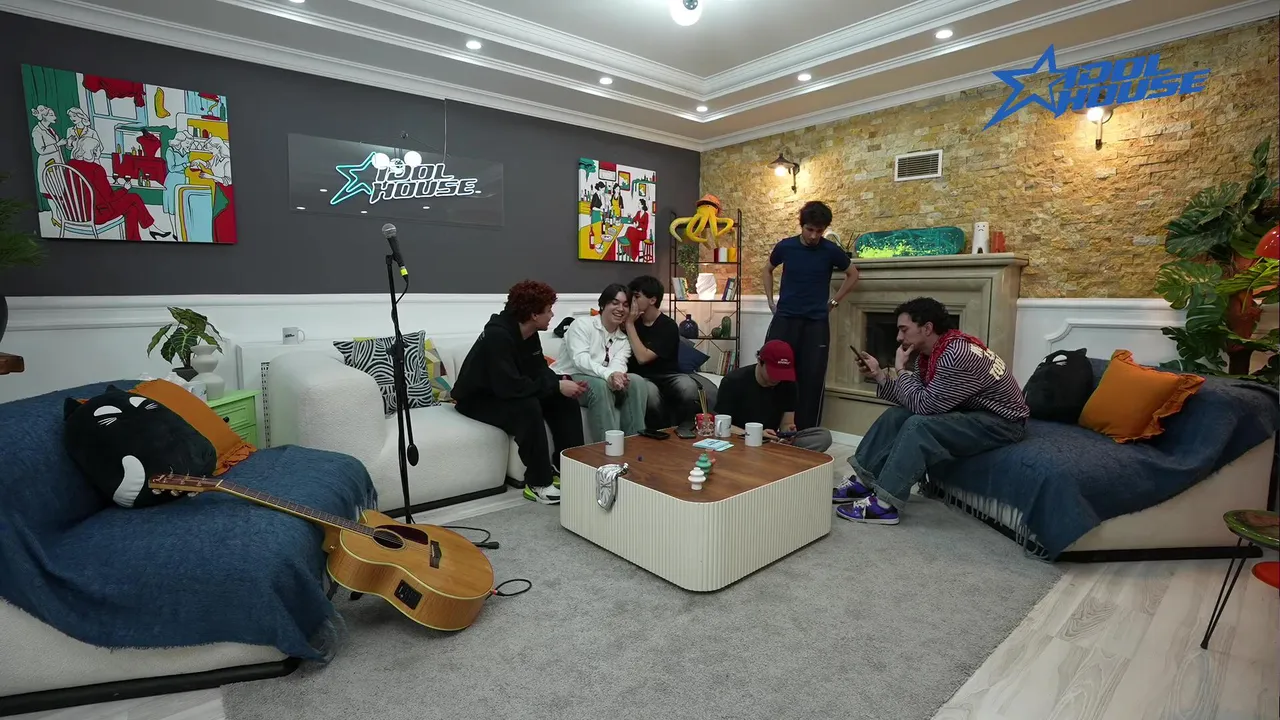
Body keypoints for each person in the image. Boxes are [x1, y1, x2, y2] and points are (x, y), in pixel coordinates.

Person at [833, 297, 1029, 525]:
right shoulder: (931, 355)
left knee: (919, 426)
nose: (899, 338)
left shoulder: (955, 354)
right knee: (896, 416)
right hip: (971, 412)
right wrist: (878, 375)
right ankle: (863, 482)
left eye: (904, 330)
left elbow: (923, 407)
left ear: (927, 328)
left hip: (1003, 424)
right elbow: (913, 399)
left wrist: (900, 369)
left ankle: (885, 506)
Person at [452, 280, 586, 505]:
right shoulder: (497, 336)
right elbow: (509, 386)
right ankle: (538, 483)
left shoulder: (530, 333)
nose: (552, 315)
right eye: (548, 310)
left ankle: (568, 468)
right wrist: (554, 386)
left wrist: (559, 383)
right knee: (528, 407)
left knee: (564, 401)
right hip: (476, 399)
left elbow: (539, 370)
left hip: (504, 389)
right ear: (534, 314)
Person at [762, 201, 859, 430]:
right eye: (810, 229)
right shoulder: (786, 246)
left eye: (819, 231)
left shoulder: (830, 250)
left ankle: (805, 431)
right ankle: (769, 426)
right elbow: (767, 269)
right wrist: (770, 301)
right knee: (773, 369)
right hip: (785, 319)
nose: (814, 235)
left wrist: (834, 302)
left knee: (812, 378)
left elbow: (853, 274)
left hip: (816, 323)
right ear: (801, 225)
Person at [551, 284, 648, 441]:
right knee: (599, 385)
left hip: (602, 380)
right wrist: (609, 375)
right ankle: (608, 448)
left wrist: (616, 377)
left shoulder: (623, 339)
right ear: (603, 305)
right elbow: (580, 360)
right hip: (570, 377)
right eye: (615, 303)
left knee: (636, 381)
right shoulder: (582, 325)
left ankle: (635, 442)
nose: (620, 309)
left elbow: (619, 364)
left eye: (625, 305)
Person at [624, 275, 713, 429]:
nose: (632, 301)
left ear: (652, 300)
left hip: (668, 375)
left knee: (688, 386)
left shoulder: (668, 326)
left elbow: (643, 357)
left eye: (637, 296)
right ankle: (660, 431)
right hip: (642, 376)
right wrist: (629, 323)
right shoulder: (631, 322)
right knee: (650, 392)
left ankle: (686, 428)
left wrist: (629, 325)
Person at [713, 340, 832, 452]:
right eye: (774, 372)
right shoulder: (733, 381)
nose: (777, 379)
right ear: (760, 361)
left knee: (823, 436)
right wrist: (755, 434)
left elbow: (786, 423)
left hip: (771, 440)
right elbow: (721, 426)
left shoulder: (788, 384)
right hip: (741, 439)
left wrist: (788, 432)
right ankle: (778, 456)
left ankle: (775, 454)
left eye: (782, 374)